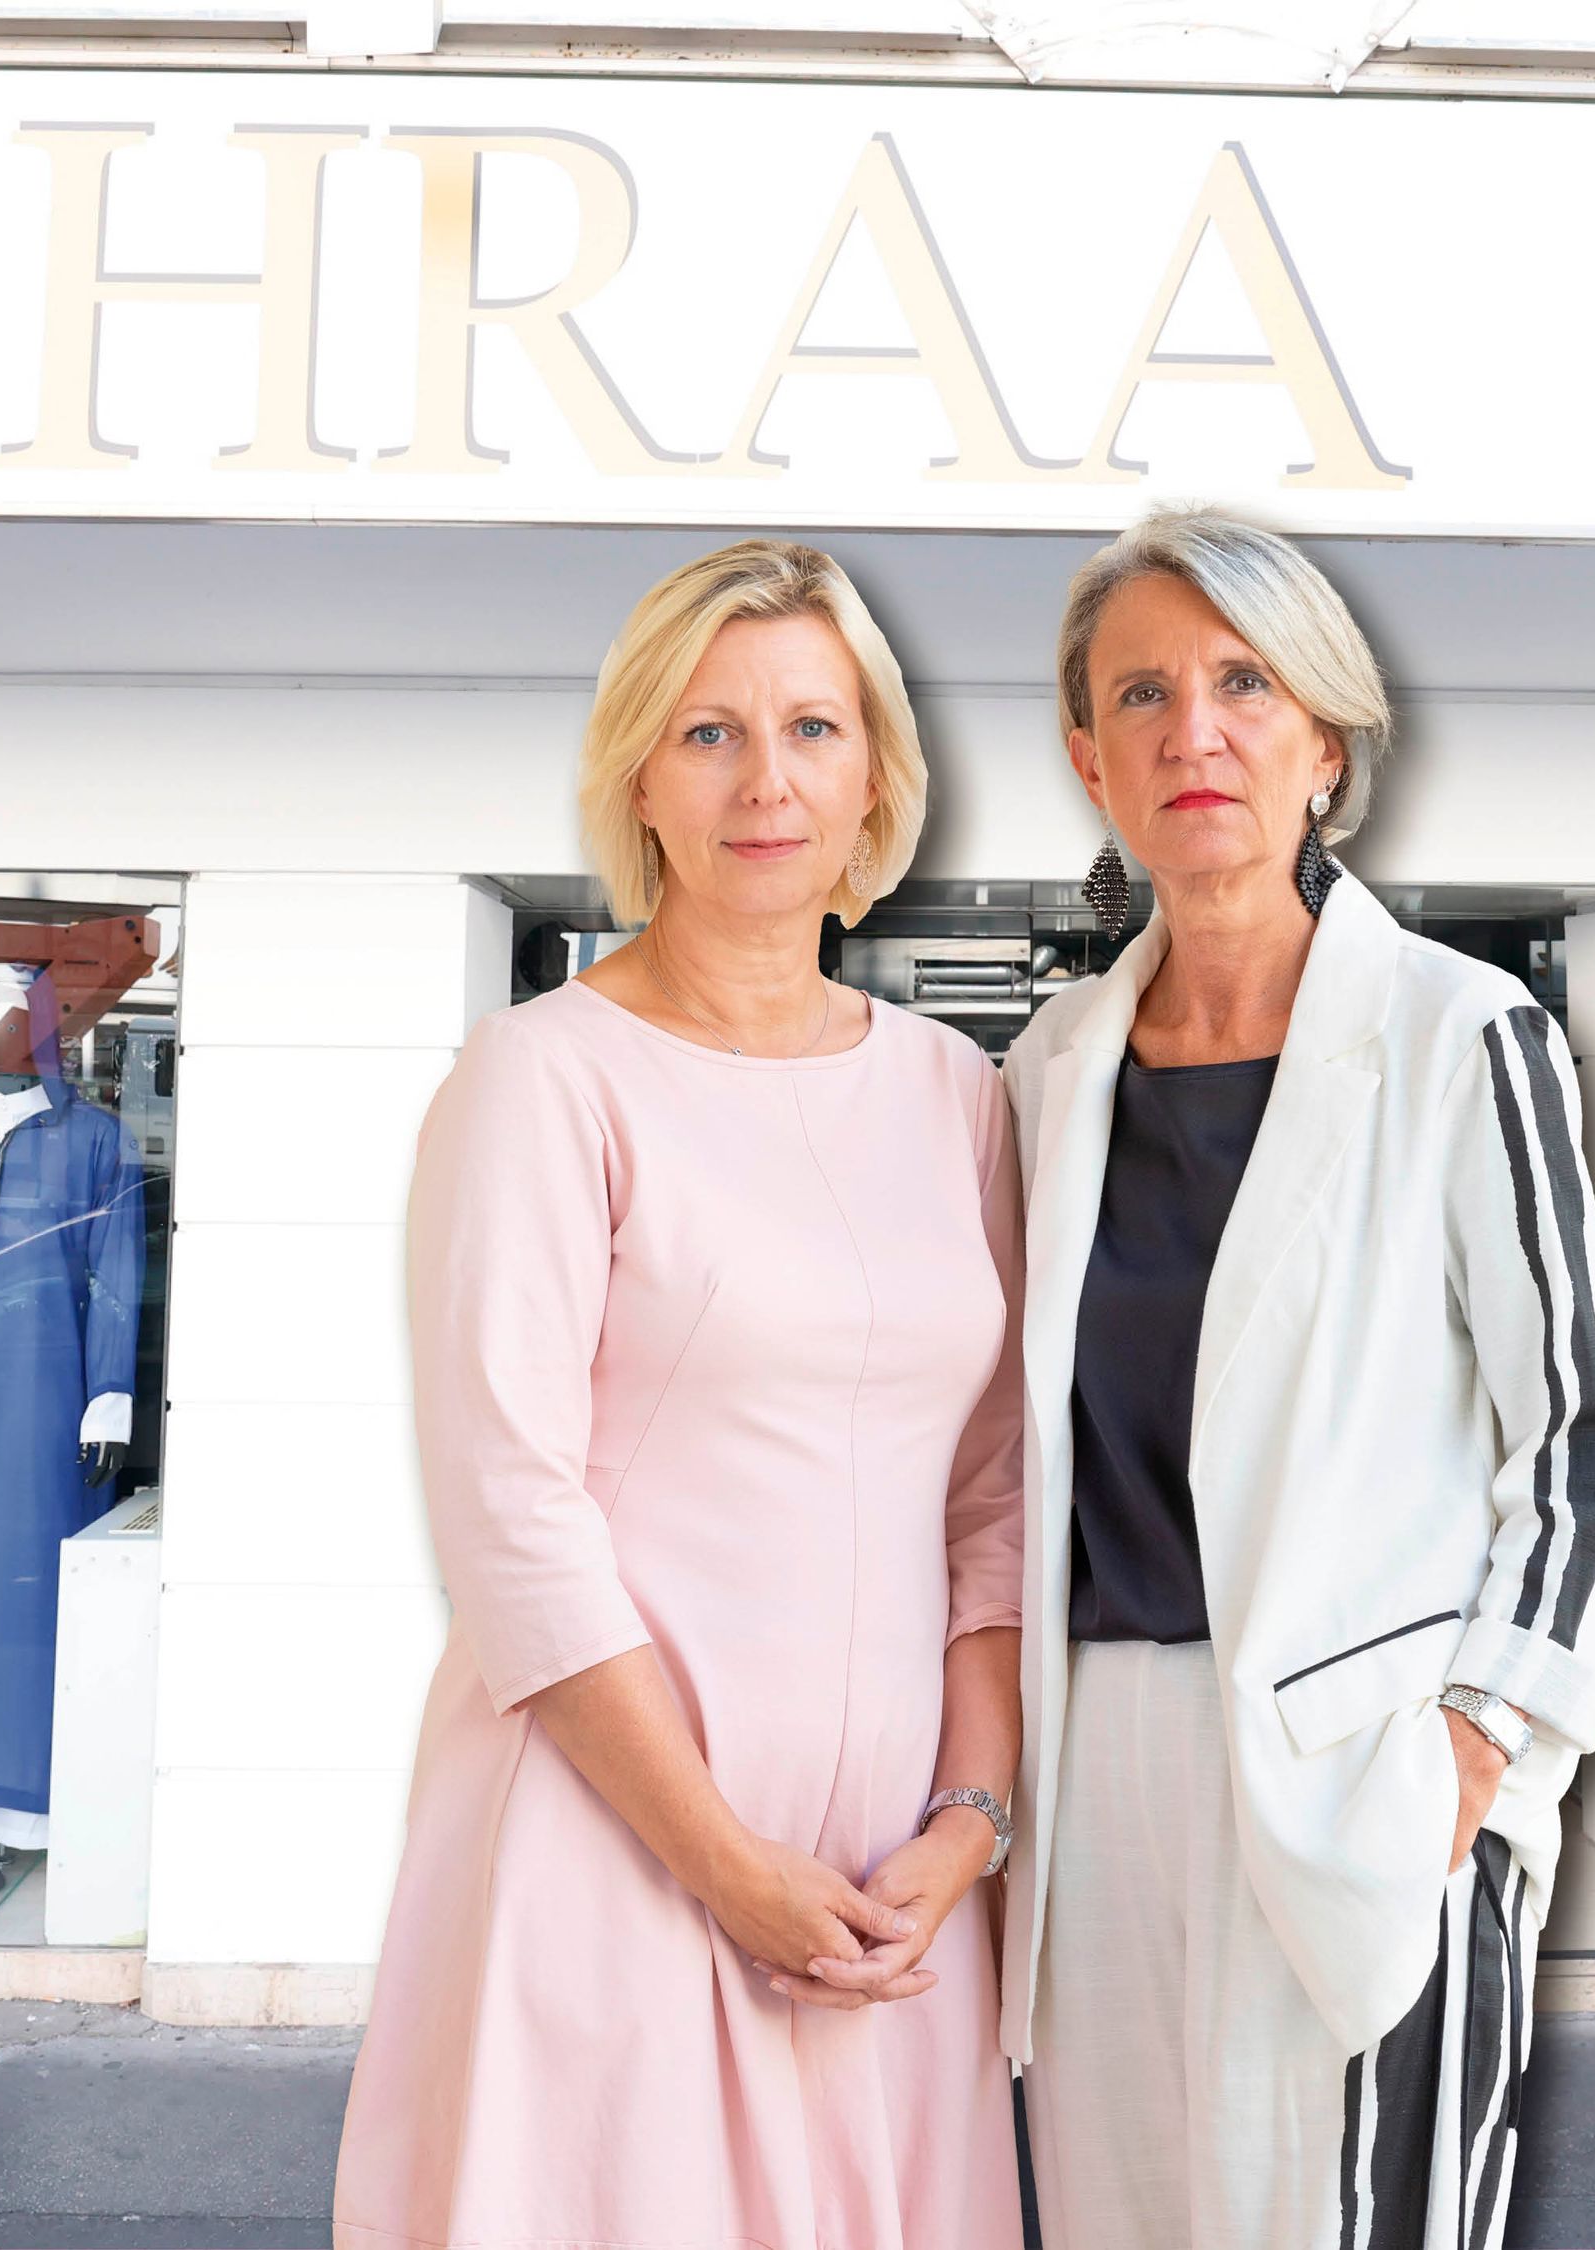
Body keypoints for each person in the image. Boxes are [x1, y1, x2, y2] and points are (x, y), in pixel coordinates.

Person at [332, 541, 1026, 2250]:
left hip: (887, 1891)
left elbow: (996, 1503)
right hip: (624, 1853)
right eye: (711, 733)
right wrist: (722, 1859)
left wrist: (972, 1819)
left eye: (812, 726)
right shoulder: (544, 1080)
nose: (766, 779)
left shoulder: (959, 1094)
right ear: (640, 774)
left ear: (876, 780)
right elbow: (512, 1520)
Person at [1003, 507, 1595, 2248]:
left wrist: (1479, 1743)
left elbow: (1574, 1438)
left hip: (1363, 1761)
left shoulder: (1460, 1036)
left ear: (1324, 744)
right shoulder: (1047, 1070)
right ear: (1087, 756)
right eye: (1142, 692)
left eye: (1242, 683)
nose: (1191, 730)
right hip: (1097, 1779)